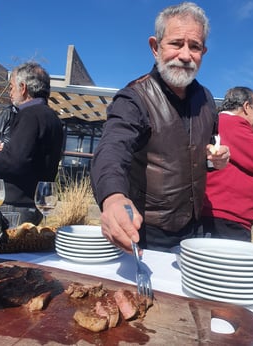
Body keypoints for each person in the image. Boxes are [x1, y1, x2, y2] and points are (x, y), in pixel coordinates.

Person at [90, 2, 230, 254]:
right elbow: (112, 149)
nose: (186, 55)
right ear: (155, 47)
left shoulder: (207, 100)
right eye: (176, 43)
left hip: (195, 230)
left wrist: (216, 159)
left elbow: (207, 150)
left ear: (203, 52)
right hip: (147, 233)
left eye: (194, 46)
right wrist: (112, 197)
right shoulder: (134, 97)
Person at [0, 62, 63, 225]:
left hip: (14, 207)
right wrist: (3, 152)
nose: (10, 92)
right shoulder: (53, 118)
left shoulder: (29, 115)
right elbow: (30, 156)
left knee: (5, 249)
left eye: (12, 87)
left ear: (23, 87)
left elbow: (14, 161)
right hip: (33, 205)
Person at [200, 86, 253, 241]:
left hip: (223, 215)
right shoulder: (233, 123)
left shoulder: (219, 122)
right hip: (227, 217)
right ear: (246, 107)